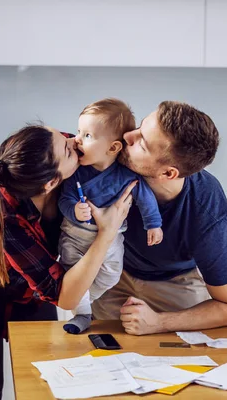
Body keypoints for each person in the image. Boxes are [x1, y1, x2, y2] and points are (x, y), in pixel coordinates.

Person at [0, 125, 136, 400]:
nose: (75, 142)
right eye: (67, 147)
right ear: (51, 183)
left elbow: (112, 140)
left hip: (31, 279)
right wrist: (107, 233)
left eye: (66, 138)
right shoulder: (6, 217)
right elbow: (66, 298)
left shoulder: (62, 151)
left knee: (46, 380)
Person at [91, 101, 227, 335]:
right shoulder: (112, 159)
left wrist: (158, 323)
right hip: (115, 273)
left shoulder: (205, 206)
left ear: (167, 173)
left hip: (176, 282)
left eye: (141, 143)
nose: (127, 136)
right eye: (140, 127)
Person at [58, 98, 163, 334]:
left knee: (111, 275)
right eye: (78, 131)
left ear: (113, 148)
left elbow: (145, 198)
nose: (77, 139)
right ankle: (83, 313)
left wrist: (153, 224)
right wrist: (73, 209)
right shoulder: (76, 171)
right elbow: (64, 199)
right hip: (75, 237)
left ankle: (79, 299)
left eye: (87, 135)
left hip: (112, 239)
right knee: (73, 272)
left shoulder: (126, 175)